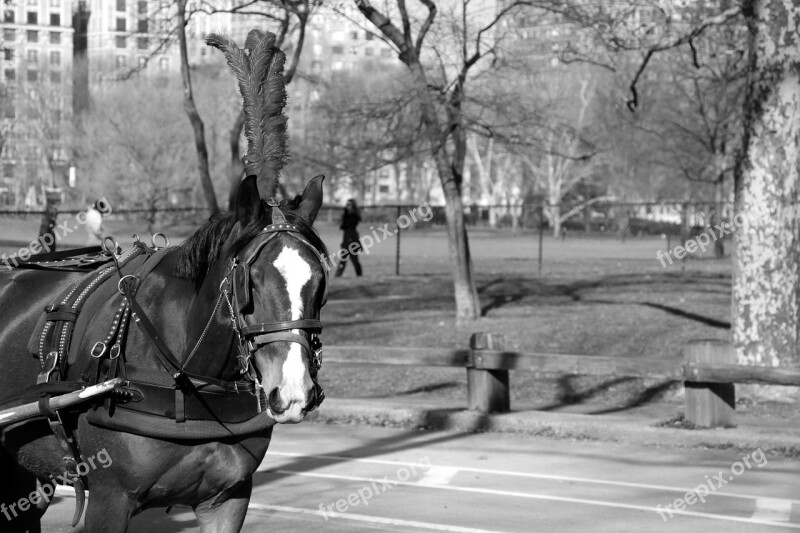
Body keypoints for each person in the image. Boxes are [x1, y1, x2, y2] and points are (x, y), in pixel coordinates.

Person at [335, 198, 363, 277]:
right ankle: (337, 276)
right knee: (343, 259)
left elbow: (347, 224)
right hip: (346, 237)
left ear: (353, 206)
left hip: (352, 238)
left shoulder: (354, 215)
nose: (347, 206)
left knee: (354, 260)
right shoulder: (346, 214)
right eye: (346, 204)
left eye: (349, 205)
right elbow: (343, 225)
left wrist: (345, 214)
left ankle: (359, 275)